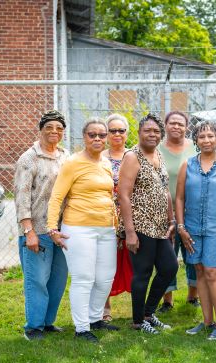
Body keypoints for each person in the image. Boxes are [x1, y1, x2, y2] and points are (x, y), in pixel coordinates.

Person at [47, 118, 119, 343]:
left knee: (106, 277)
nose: (97, 139)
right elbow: (57, 196)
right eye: (92, 135)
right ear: (84, 138)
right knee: (83, 278)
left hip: (106, 229)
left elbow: (109, 195)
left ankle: (96, 318)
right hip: (78, 228)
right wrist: (52, 228)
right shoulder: (72, 163)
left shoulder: (105, 163)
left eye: (101, 135)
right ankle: (81, 328)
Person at [118, 113, 179, 334]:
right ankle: (137, 322)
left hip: (160, 226)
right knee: (143, 272)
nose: (152, 134)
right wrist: (130, 232)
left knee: (169, 267)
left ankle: (148, 313)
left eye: (156, 131)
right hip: (141, 225)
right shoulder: (132, 157)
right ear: (139, 133)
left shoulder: (159, 155)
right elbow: (123, 195)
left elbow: (165, 190)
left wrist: (171, 220)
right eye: (148, 131)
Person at [14, 110, 69, 341]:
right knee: (37, 280)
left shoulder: (66, 156)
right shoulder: (29, 159)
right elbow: (21, 196)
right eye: (49, 127)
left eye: (59, 128)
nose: (54, 132)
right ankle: (33, 327)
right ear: (41, 130)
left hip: (61, 230)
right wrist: (29, 231)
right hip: (37, 230)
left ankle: (47, 323)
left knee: (57, 280)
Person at [177, 121, 216, 340]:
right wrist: (181, 226)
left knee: (212, 272)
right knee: (199, 271)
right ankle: (206, 321)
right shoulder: (187, 165)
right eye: (202, 137)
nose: (207, 140)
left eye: (211, 136)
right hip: (192, 227)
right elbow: (180, 197)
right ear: (196, 141)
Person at [158, 111, 199, 312]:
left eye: (180, 124)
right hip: (163, 212)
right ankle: (168, 299)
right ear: (165, 126)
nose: (176, 127)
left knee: (193, 252)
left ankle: (193, 295)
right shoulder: (156, 149)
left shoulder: (195, 147)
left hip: (192, 210)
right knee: (167, 256)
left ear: (187, 127)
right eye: (172, 123)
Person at [102, 114, 133, 321]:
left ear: (127, 133)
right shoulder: (99, 156)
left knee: (133, 262)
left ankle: (137, 308)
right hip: (105, 217)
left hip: (131, 216)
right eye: (112, 130)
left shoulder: (133, 156)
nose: (117, 134)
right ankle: (104, 309)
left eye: (121, 130)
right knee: (104, 262)